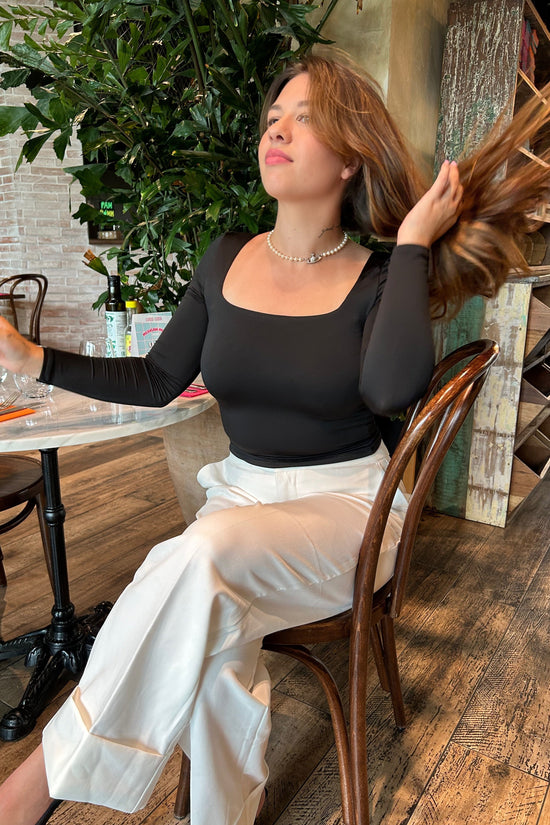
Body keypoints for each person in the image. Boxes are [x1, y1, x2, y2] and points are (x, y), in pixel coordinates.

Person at [0, 52, 548, 825]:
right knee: (207, 604)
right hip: (240, 498)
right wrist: (34, 359)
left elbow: (391, 392)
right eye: (272, 118)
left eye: (305, 118)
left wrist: (414, 244)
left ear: (350, 158)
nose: (276, 131)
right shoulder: (226, 257)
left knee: (200, 558)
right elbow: (158, 379)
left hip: (348, 510)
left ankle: (32, 790)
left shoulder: (380, 277)